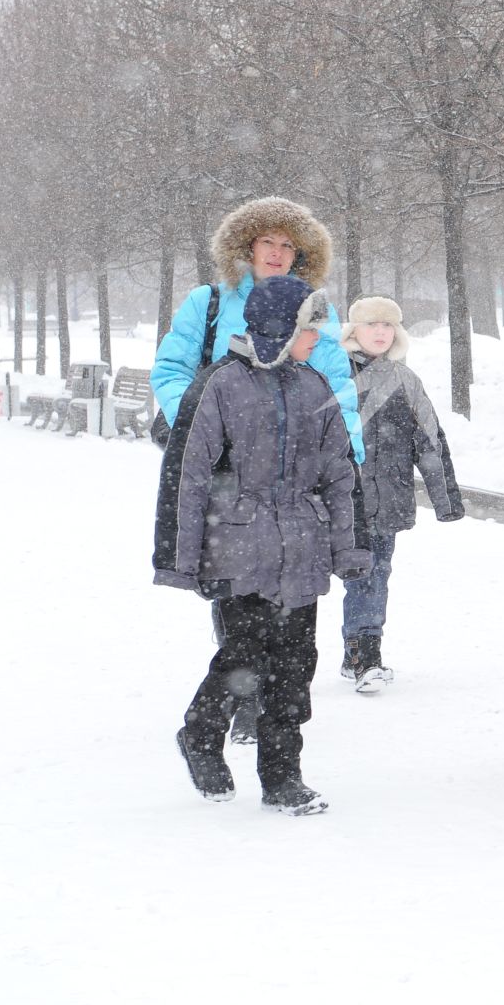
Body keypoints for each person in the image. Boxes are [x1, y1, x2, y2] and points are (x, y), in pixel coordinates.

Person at [151, 197, 364, 744]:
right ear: (246, 249)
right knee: (240, 597)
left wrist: (349, 458)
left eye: (288, 244)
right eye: (267, 242)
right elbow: (172, 370)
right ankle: (243, 694)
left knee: (291, 603)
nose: (277, 252)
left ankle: (269, 709)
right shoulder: (211, 304)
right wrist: (203, 429)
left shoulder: (318, 313)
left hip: (294, 476)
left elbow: (337, 387)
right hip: (227, 475)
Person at [337, 296, 465, 691]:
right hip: (336, 500)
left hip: (386, 500)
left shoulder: (406, 381)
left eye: (388, 325)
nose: (380, 332)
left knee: (373, 575)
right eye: (371, 324)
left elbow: (430, 441)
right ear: (352, 331)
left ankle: (365, 653)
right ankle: (313, 654)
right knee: (314, 580)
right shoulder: (330, 375)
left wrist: (446, 502)